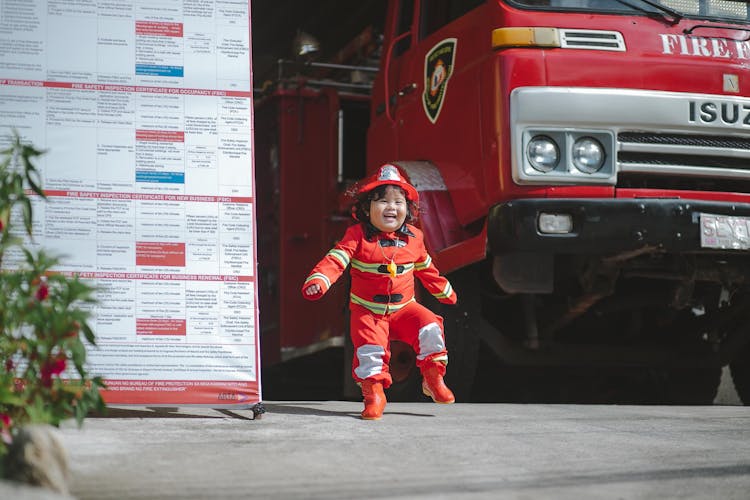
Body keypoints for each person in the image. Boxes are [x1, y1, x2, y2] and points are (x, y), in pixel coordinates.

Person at [301, 163, 458, 420]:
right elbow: (336, 260)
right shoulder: (356, 236)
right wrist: (320, 280)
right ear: (366, 208)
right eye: (382, 201)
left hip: (405, 309)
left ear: (408, 210)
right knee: (370, 352)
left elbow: (427, 268)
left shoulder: (415, 238)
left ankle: (433, 379)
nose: (391, 207)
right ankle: (374, 396)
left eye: (398, 202)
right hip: (368, 312)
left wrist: (443, 290)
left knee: (430, 326)